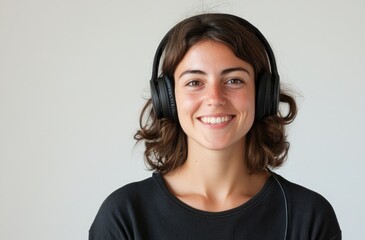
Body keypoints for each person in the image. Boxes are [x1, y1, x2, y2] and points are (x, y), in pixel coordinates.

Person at [89, 13, 341, 240]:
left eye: (234, 80)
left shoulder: (309, 216)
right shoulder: (125, 215)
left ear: (263, 94)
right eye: (195, 82)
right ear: (167, 98)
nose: (215, 98)